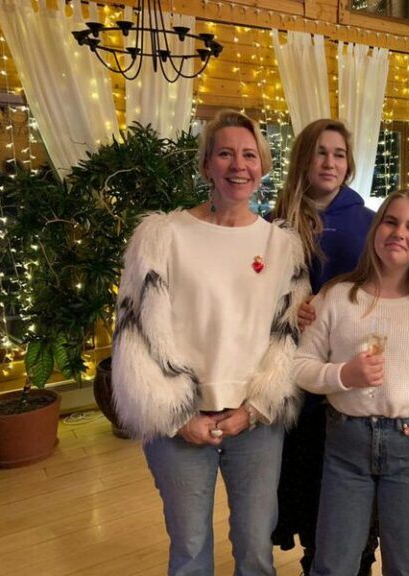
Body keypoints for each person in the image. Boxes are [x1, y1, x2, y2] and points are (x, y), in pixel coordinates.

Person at [111, 109, 310, 576]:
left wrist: (255, 409)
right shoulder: (162, 236)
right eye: (225, 154)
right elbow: (132, 336)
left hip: (255, 421)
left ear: (262, 165)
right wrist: (178, 416)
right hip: (178, 420)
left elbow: (288, 340)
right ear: (206, 165)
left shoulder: (283, 246)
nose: (238, 165)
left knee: (256, 547)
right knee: (190, 549)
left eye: (249, 155)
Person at [294, 190, 409, 576]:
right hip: (346, 445)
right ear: (374, 229)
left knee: (406, 565)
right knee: (333, 564)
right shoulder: (336, 296)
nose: (399, 233)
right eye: (391, 221)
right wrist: (342, 376)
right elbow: (300, 365)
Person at [269, 118, 377, 575]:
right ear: (303, 159)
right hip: (299, 381)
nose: (330, 162)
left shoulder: (369, 222)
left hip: (353, 377)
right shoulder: (278, 223)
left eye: (339, 154)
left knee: (355, 488)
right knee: (312, 485)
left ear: (349, 164)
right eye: (321, 152)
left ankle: (361, 559)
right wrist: (286, 309)